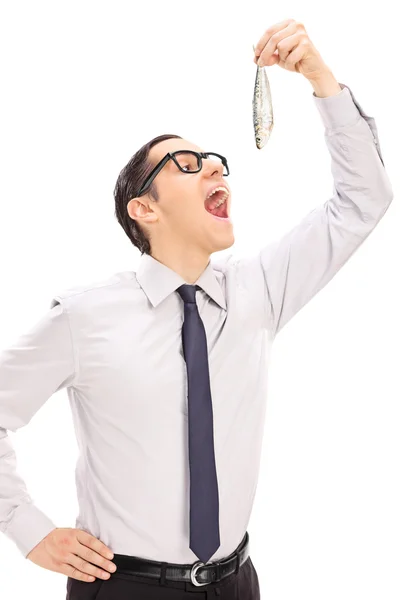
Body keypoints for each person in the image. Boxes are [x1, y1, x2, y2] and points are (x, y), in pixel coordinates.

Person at [0, 19, 393, 600]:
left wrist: (320, 78)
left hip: (237, 581)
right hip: (126, 587)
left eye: (213, 161)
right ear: (144, 210)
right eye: (185, 165)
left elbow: (365, 200)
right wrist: (27, 529)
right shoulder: (85, 318)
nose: (214, 167)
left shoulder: (258, 290)